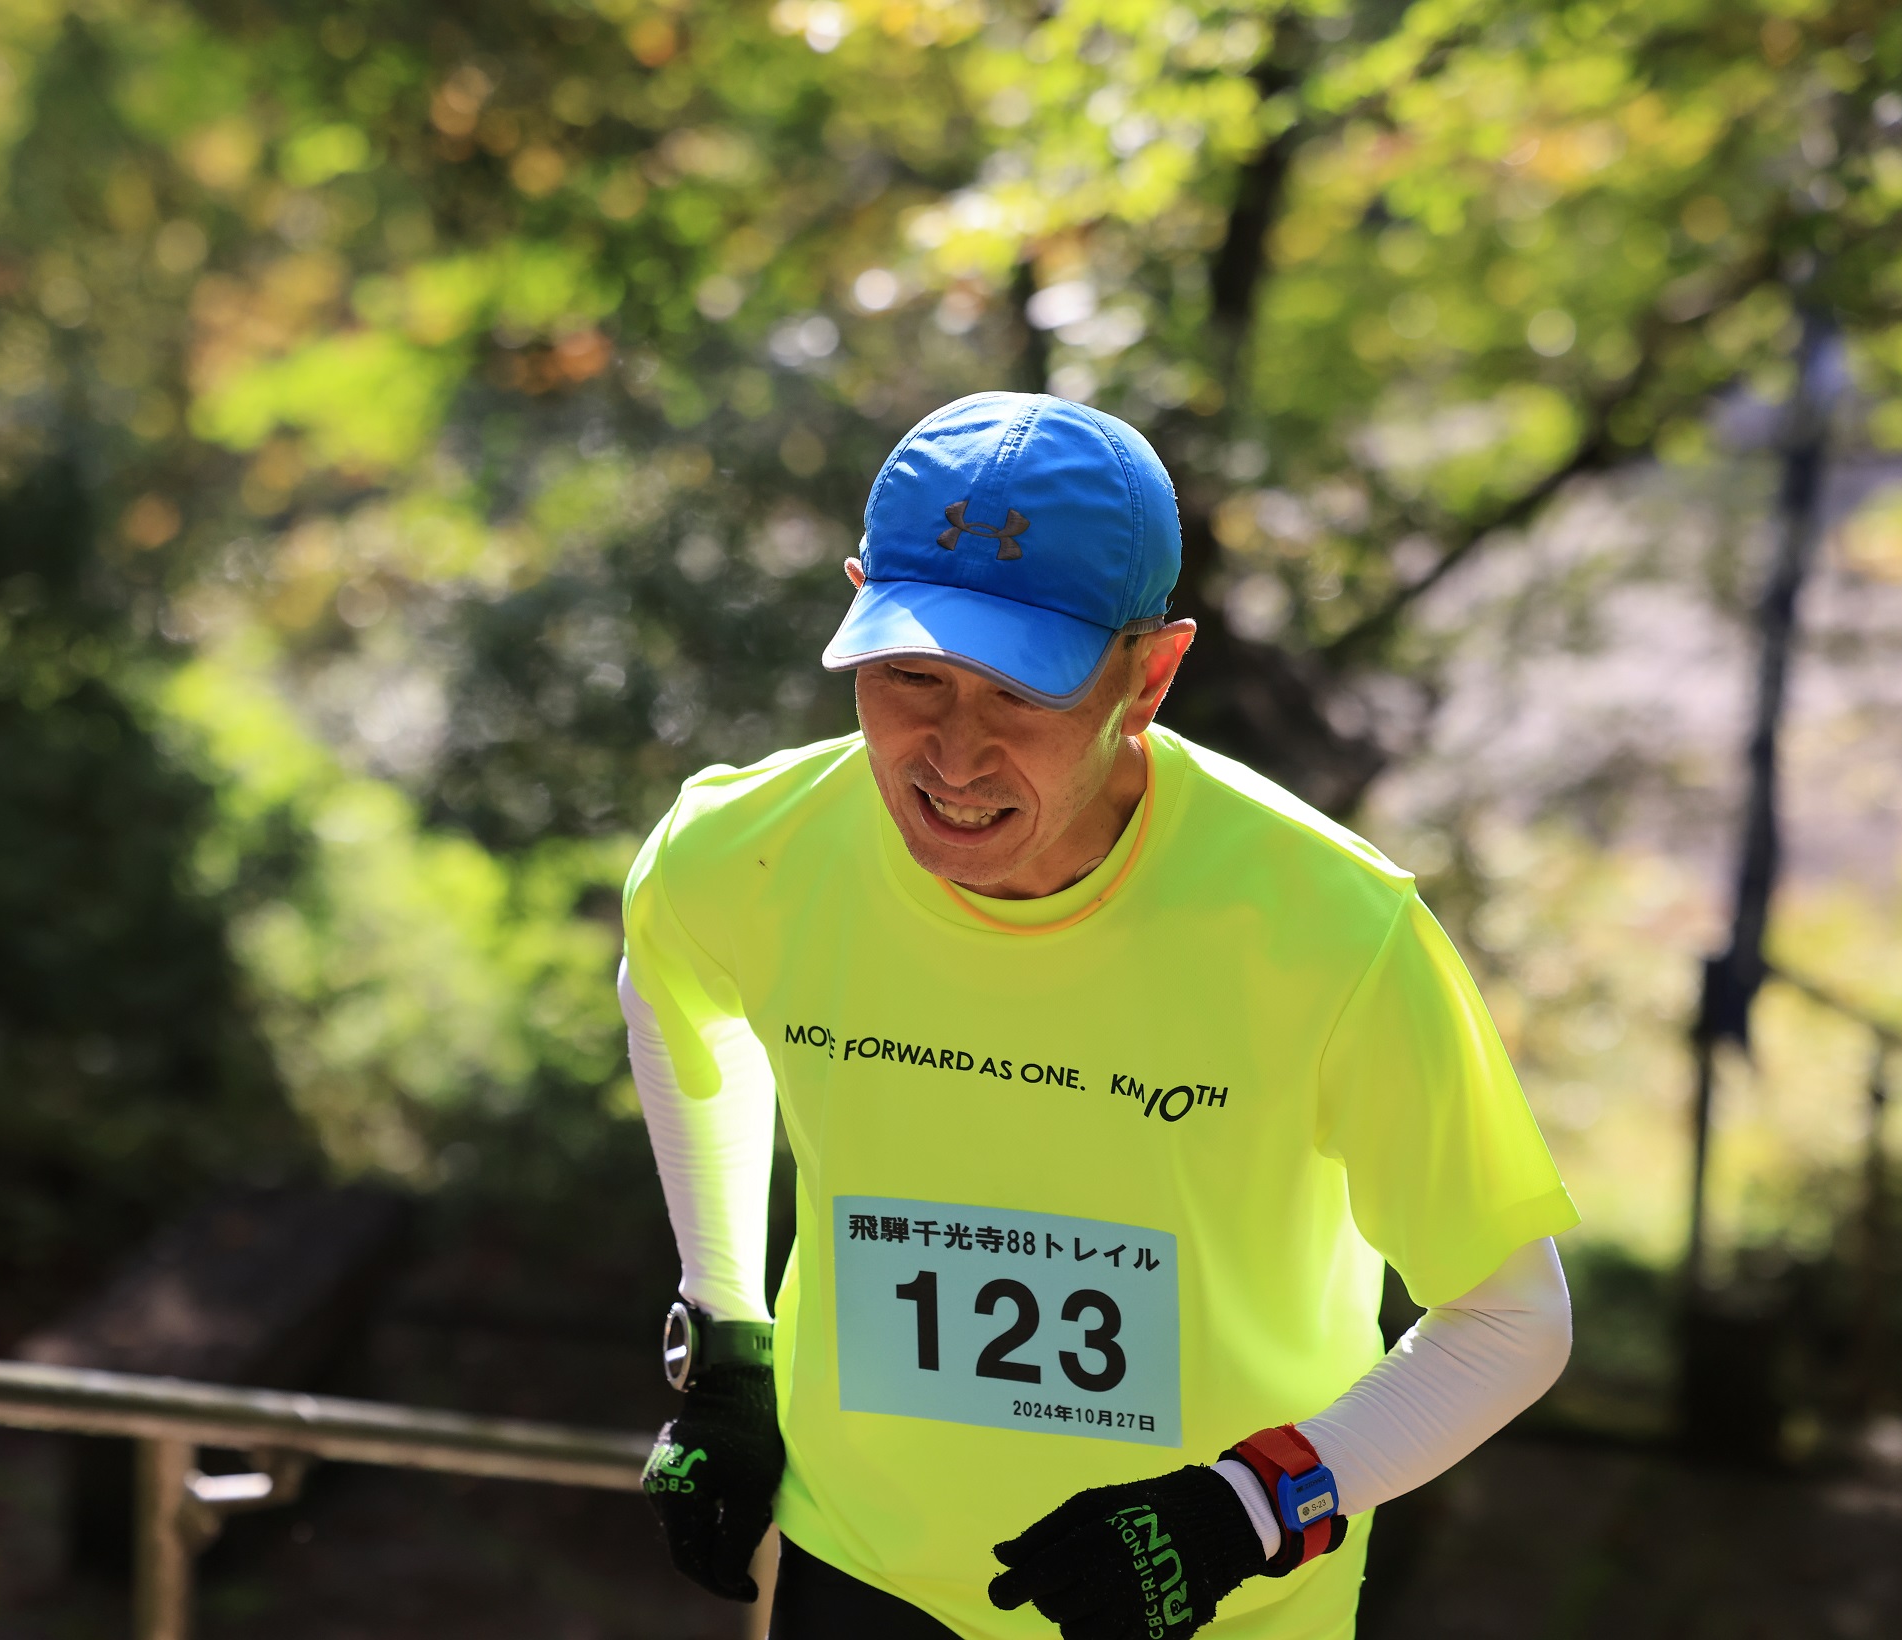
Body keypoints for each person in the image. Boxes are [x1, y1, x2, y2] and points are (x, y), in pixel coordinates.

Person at [626, 392, 1576, 1640]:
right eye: (910, 674)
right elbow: (672, 985)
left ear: (1152, 671)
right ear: (853, 608)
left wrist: (1242, 1509)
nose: (953, 755)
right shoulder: (743, 854)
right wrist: (726, 1326)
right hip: (863, 1568)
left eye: (1025, 690)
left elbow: (1513, 1318)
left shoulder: (1329, 930)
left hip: (1208, 1608)